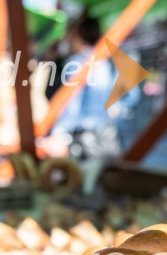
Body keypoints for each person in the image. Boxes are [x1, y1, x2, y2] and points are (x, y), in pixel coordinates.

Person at [46, 14, 118, 159]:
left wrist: (59, 133)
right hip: (103, 133)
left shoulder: (76, 63)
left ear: (77, 34)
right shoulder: (104, 62)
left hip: (80, 138)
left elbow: (71, 102)